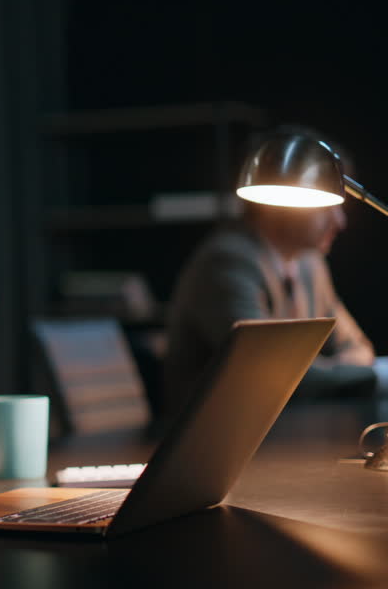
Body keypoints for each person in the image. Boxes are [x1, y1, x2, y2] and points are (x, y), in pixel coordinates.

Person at [165, 129, 388, 414]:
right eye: (327, 205)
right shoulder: (226, 262)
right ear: (276, 203)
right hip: (217, 440)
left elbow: (357, 346)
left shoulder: (310, 263)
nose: (340, 221)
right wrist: (371, 376)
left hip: (293, 433)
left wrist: (323, 370)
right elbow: (273, 377)